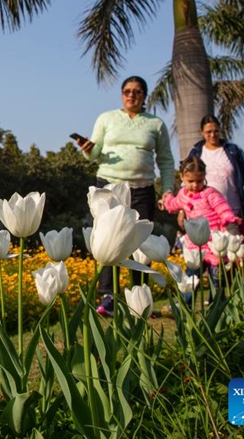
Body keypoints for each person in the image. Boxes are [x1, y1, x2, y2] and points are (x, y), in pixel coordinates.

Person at [76, 75, 175, 316]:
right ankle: (108, 297)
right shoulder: (106, 118)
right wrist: (88, 150)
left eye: (138, 91)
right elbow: (96, 152)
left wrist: (168, 189)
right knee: (109, 241)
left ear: (144, 96)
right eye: (128, 91)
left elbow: (165, 160)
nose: (132, 95)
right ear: (122, 94)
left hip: (143, 189)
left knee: (140, 242)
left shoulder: (155, 124)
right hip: (109, 186)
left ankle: (140, 298)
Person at [182, 115, 244, 263]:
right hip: (207, 217)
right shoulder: (196, 152)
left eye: (216, 131)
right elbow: (187, 184)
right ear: (201, 132)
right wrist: (183, 210)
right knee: (216, 259)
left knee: (240, 256)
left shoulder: (233, 151)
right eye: (208, 132)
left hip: (233, 213)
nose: (212, 135)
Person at [160, 156, 242, 302]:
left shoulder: (210, 194)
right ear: (182, 177)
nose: (195, 185)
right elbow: (174, 204)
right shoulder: (183, 195)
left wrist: (230, 223)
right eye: (190, 181)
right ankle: (186, 306)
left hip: (215, 245)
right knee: (191, 279)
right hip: (194, 247)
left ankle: (216, 307)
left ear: (204, 177)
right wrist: (166, 202)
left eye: (199, 181)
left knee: (217, 281)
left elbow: (223, 209)